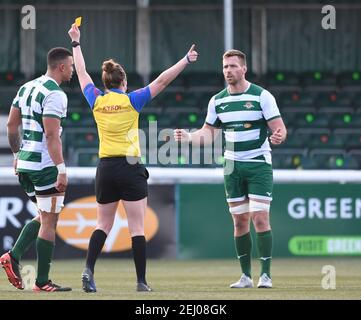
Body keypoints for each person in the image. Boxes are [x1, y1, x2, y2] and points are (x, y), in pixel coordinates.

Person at [68, 24, 198, 293]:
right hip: (129, 167)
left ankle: (88, 270)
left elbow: (80, 73)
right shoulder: (132, 100)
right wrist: (185, 60)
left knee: (102, 224)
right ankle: (141, 282)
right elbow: (162, 81)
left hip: (105, 168)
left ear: (105, 82)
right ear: (123, 82)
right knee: (137, 228)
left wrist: (76, 43)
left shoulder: (96, 100)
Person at [174, 49, 287, 289]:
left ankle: (265, 274)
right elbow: (208, 134)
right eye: (225, 67)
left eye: (233, 66)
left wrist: (278, 136)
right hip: (232, 166)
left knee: (260, 218)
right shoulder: (217, 100)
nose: (229, 71)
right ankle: (245, 276)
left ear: (244, 69)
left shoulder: (262, 96)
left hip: (258, 164)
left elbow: (279, 128)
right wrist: (189, 137)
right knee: (239, 222)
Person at [0, 48, 74, 292]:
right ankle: (41, 282)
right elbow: (52, 135)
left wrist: (16, 154)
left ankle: (13, 256)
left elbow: (12, 125)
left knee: (44, 215)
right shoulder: (55, 94)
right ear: (61, 67)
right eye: (71, 66)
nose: (73, 70)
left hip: (25, 164)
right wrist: (61, 169)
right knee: (50, 220)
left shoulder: (26, 88)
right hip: (44, 165)